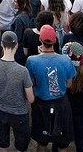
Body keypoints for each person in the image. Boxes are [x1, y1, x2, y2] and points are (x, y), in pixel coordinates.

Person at [25, 24, 76, 152]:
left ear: (40, 40)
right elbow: (69, 84)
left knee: (42, 143)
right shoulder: (65, 60)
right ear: (55, 41)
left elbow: (30, 83)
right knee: (62, 144)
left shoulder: (32, 61)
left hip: (41, 105)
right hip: (61, 105)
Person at [0, 31, 34, 152]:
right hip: (20, 114)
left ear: (1, 44)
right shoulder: (23, 71)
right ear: (16, 45)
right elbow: (31, 99)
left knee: (3, 145)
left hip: (0, 112)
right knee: (21, 147)